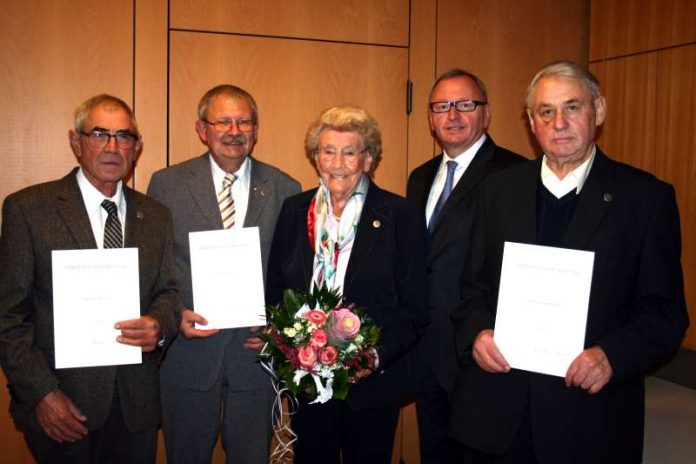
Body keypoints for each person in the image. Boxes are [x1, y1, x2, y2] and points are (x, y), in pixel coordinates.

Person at [449, 61, 689, 463]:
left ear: (599, 111)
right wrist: (478, 334)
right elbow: (471, 287)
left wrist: (612, 356)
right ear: (531, 121)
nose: (559, 122)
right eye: (546, 111)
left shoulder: (644, 199)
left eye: (572, 107)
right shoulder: (497, 192)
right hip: (497, 419)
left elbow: (664, 314)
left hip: (590, 421)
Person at [0, 94, 180, 463]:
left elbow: (168, 291)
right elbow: (9, 317)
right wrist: (41, 394)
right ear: (75, 141)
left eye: (124, 136)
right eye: (99, 134)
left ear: (137, 147)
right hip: (62, 407)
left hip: (136, 407)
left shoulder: (156, 215)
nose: (112, 147)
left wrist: (159, 325)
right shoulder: (28, 209)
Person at [265, 106, 428, 464]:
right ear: (315, 158)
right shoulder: (295, 210)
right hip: (308, 380)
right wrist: (284, 342)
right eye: (327, 151)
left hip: (372, 384)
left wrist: (375, 356)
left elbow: (416, 307)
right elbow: (276, 287)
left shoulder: (400, 216)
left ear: (368, 159)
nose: (337, 162)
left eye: (349, 152)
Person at [147, 84, 300, 464]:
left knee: (251, 457)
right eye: (223, 121)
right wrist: (174, 313)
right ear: (202, 129)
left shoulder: (285, 188)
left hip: (255, 354)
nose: (234, 130)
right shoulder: (166, 184)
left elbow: (292, 272)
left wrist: (280, 325)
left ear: (256, 128)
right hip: (189, 352)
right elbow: (155, 266)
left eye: (244, 121)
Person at [406, 68, 525, 463]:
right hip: (427, 353)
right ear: (430, 118)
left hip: (479, 354)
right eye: (441, 106)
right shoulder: (420, 177)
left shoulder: (516, 175)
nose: (452, 115)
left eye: (465, 104)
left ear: (486, 114)